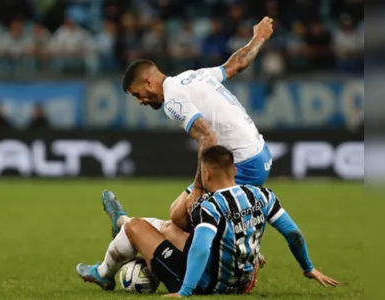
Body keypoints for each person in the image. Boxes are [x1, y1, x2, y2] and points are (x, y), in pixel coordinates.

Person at [77, 146, 338, 296]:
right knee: (168, 228)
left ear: (206, 174)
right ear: (235, 170)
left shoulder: (209, 205)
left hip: (209, 285)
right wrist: (308, 267)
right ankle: (122, 225)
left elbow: (201, 247)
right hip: (244, 283)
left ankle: (105, 268)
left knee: (136, 226)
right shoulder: (263, 194)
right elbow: (293, 234)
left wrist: (186, 291)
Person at [121, 17, 275, 233]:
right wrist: (258, 38)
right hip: (261, 154)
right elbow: (236, 65)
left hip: (244, 163)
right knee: (177, 212)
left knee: (183, 216)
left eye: (138, 95)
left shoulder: (172, 100)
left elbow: (207, 137)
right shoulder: (194, 76)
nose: (141, 101)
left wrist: (200, 188)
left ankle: (245, 250)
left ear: (148, 82)